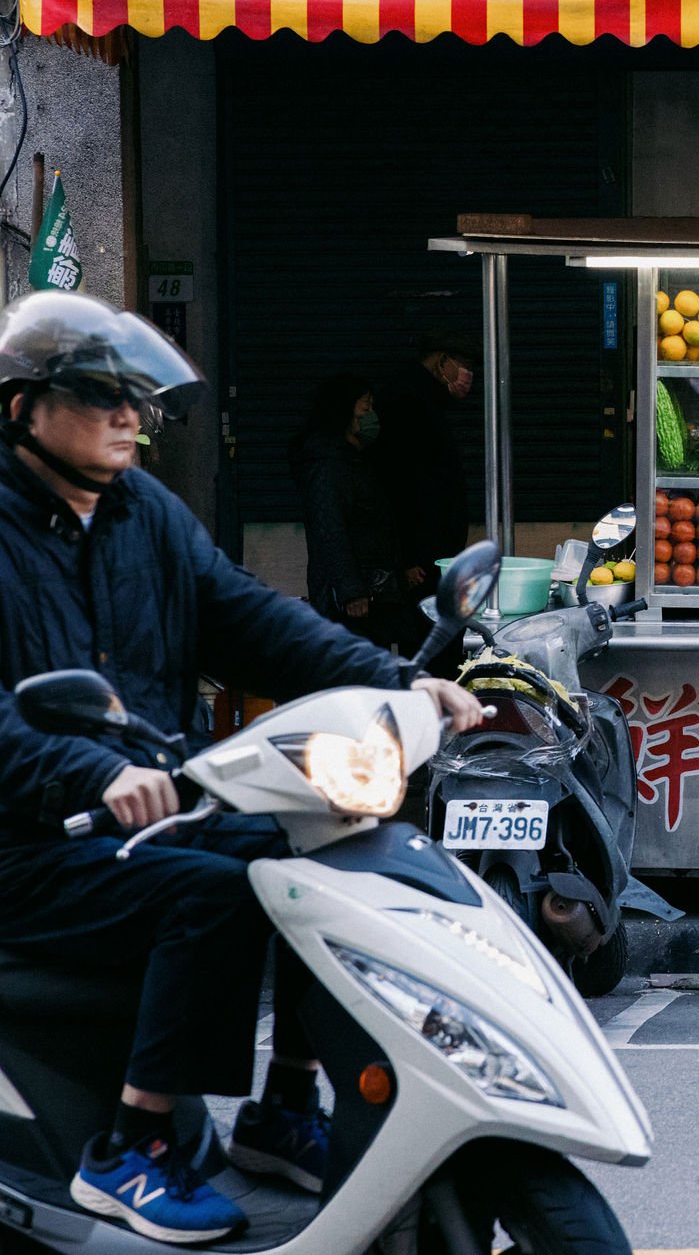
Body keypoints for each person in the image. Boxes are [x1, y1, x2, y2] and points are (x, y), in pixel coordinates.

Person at [0, 291, 481, 1244]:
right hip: (33, 839)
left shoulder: (149, 515)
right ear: (22, 407)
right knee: (214, 895)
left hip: (156, 807)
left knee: (329, 856)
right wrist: (83, 772)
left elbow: (256, 621)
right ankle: (133, 1149)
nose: (130, 418)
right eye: (101, 396)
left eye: (137, 398)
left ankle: (283, 1107)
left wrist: (403, 681)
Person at [290, 373, 421, 656]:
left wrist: (399, 572)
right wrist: (351, 591)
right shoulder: (328, 466)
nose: (373, 415)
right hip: (354, 601)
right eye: (366, 407)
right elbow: (330, 530)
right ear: (343, 411)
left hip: (373, 594)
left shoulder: (354, 461)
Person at [375, 335, 475, 591]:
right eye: (464, 364)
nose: (469, 374)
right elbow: (399, 481)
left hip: (433, 549)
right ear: (442, 362)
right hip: (422, 557)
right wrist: (407, 558)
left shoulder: (429, 401)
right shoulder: (409, 402)